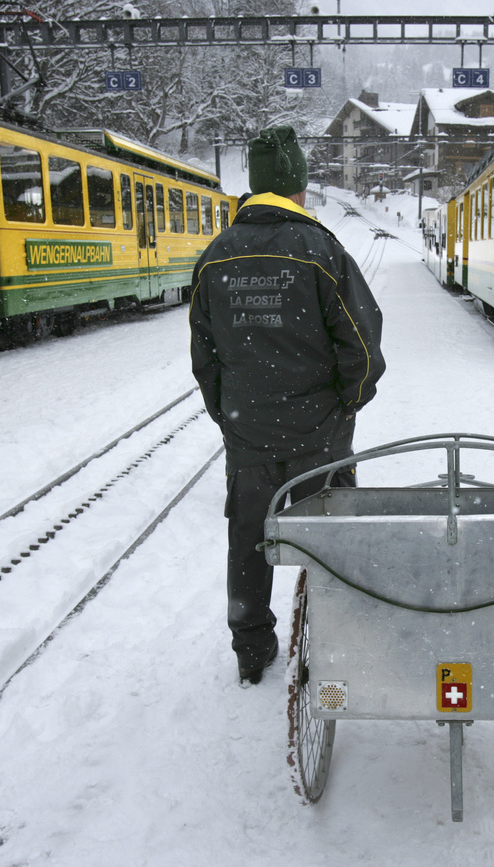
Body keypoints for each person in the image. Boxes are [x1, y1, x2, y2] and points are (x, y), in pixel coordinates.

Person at [189, 125, 386, 685]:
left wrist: (235, 418)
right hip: (319, 439)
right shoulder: (322, 252)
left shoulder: (215, 258)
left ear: (255, 188)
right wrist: (344, 407)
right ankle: (334, 637)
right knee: (329, 538)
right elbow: (364, 350)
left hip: (248, 437)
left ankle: (251, 648)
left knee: (249, 542)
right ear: (297, 189)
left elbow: (205, 362)